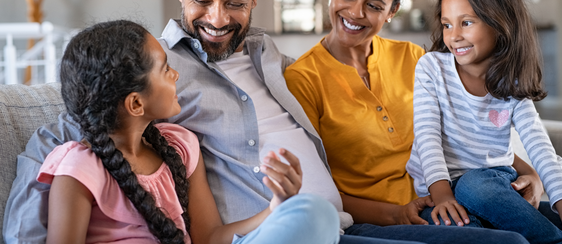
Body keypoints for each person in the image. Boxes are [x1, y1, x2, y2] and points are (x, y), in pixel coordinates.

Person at [4, 0, 529, 244]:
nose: (217, 17)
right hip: (279, 230)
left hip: (336, 223)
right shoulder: (150, 68)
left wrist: (511, 164)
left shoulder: (268, 55)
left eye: (235, 2)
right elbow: (74, 128)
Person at [284, 0, 544, 235]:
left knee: (547, 220)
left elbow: (469, 129)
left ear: (392, 11)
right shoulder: (302, 79)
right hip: (380, 223)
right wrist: (398, 214)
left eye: (375, 5)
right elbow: (315, 190)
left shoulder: (415, 59)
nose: (355, 13)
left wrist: (527, 171)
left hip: (452, 201)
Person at [38, 19, 340, 244]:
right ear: (135, 103)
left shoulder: (179, 146)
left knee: (314, 212)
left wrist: (276, 207)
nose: (176, 75)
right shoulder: (79, 168)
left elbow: (210, 238)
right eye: (165, 69)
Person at [404, 0, 562, 244]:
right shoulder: (431, 68)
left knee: (474, 185)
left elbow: (541, 149)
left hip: (491, 185)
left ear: (500, 23)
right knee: (460, 226)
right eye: (447, 24)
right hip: (441, 193)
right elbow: (427, 138)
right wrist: (442, 195)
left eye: (466, 22)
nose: (454, 35)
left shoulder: (512, 83)